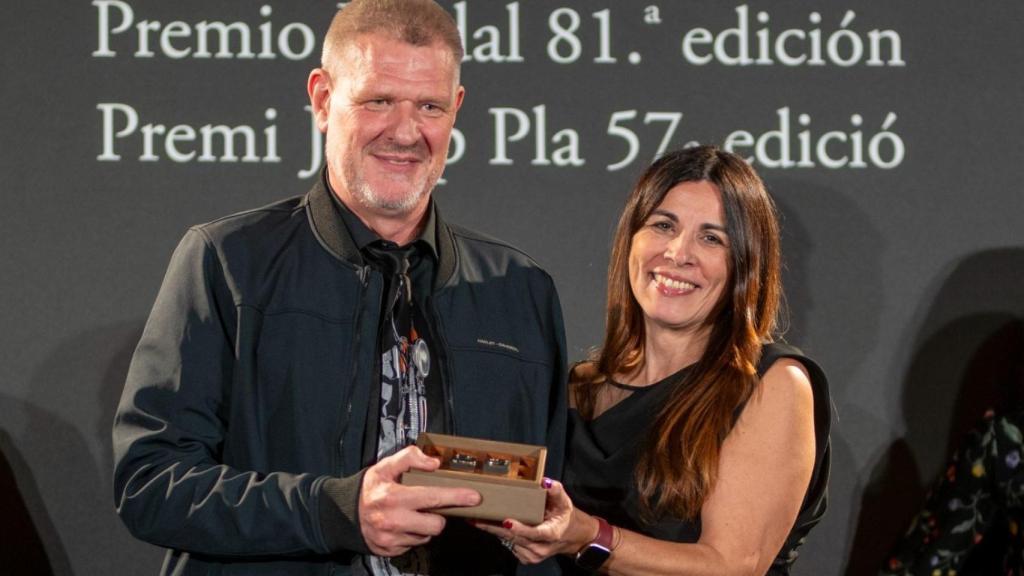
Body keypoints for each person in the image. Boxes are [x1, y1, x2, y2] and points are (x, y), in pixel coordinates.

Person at [111, 1, 566, 574]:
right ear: (323, 99)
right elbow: (151, 482)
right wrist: (334, 511)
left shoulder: (520, 291)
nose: (405, 132)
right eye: (378, 101)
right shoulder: (227, 263)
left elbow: (543, 495)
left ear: (456, 109)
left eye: (428, 106)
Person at [476, 146, 830, 575]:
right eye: (663, 225)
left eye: (712, 237)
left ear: (745, 264)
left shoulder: (771, 383)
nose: (678, 253)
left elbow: (733, 566)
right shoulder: (576, 390)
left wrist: (590, 536)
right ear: (631, 239)